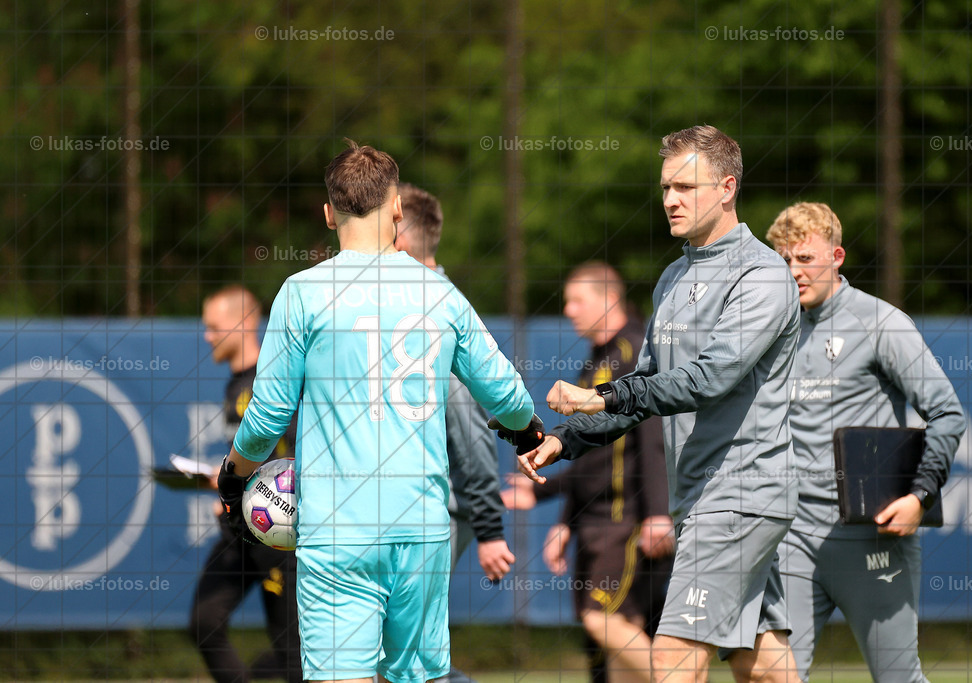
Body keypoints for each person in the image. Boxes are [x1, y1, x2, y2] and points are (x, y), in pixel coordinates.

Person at [217, 140, 540, 683]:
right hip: (422, 530)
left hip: (338, 532)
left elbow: (269, 415)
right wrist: (527, 432)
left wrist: (233, 477)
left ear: (328, 214)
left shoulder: (302, 293)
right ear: (396, 208)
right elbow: (507, 396)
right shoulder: (440, 294)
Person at [517, 125, 801, 683]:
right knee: (762, 664)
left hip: (740, 497)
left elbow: (709, 378)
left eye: (686, 186)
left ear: (726, 188)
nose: (671, 198)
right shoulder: (673, 276)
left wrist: (600, 394)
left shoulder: (763, 275)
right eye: (666, 186)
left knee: (671, 659)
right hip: (698, 500)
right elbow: (646, 386)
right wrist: (564, 439)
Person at [764, 202, 966, 682]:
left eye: (805, 258)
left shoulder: (880, 322)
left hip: (871, 536)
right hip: (792, 538)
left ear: (836, 257)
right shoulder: (771, 331)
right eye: (784, 260)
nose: (794, 271)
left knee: (897, 677)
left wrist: (919, 497)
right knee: (774, 676)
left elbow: (947, 413)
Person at [501, 261, 675, 683]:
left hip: (626, 521)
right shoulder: (598, 358)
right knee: (608, 646)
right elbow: (594, 457)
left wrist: (657, 514)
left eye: (578, 300)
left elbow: (652, 440)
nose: (569, 310)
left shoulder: (634, 350)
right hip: (596, 523)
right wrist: (565, 519)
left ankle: (683, 679)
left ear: (609, 298)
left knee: (603, 619)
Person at [393, 182, 516, 683]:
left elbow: (470, 429)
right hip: (405, 513)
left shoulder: (438, 312)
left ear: (400, 241)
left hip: (438, 515)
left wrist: (488, 528)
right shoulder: (402, 305)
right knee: (398, 651)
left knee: (411, 654)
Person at [191, 285, 302, 683]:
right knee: (204, 622)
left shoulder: (272, 381)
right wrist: (225, 484)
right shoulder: (235, 384)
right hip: (240, 526)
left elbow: (287, 462)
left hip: (276, 532)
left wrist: (236, 483)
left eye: (214, 327)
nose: (207, 336)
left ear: (244, 322)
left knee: (292, 654)